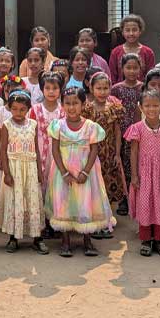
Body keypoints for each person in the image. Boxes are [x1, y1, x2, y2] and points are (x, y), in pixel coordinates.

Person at [46, 87, 114, 257]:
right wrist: (63, 172)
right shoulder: (58, 125)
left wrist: (85, 172)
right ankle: (65, 240)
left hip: (86, 172)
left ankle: (87, 239)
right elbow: (55, 150)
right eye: (67, 103)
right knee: (64, 201)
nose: (71, 107)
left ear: (83, 104)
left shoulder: (91, 127)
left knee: (85, 202)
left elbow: (94, 150)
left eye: (75, 103)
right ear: (62, 104)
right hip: (63, 172)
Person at [125, 89, 160, 257]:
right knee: (145, 204)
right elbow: (133, 153)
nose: (151, 109)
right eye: (147, 105)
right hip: (144, 173)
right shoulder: (137, 128)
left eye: (155, 105)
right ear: (141, 107)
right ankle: (146, 240)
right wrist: (134, 175)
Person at [0, 90, 48, 254]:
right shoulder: (6, 125)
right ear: (9, 108)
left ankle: (37, 237)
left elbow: (37, 149)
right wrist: (7, 172)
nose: (18, 113)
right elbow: (2, 150)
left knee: (33, 199)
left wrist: (40, 171)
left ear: (28, 109)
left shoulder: (33, 124)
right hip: (14, 167)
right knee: (15, 200)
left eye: (22, 109)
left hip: (31, 167)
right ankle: (14, 237)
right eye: (14, 109)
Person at [82, 71, 124, 229]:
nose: (102, 92)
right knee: (94, 184)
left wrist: (118, 153)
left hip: (110, 151)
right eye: (98, 88)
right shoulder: (87, 109)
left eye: (105, 88)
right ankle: (94, 215)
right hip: (93, 153)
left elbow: (118, 131)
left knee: (109, 184)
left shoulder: (114, 108)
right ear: (92, 89)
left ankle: (109, 216)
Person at [30, 72, 65, 238]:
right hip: (40, 150)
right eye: (48, 88)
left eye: (55, 88)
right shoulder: (35, 110)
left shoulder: (64, 110)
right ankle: (42, 223)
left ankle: (56, 222)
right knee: (41, 186)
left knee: (57, 187)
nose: (51, 91)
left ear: (60, 90)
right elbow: (31, 133)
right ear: (42, 89)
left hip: (59, 153)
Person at [111, 53, 144, 214]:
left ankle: (137, 197)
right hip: (122, 133)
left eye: (135, 67)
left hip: (140, 133)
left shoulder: (144, 88)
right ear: (122, 69)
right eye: (128, 67)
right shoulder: (116, 89)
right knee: (123, 165)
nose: (131, 71)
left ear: (140, 68)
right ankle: (124, 198)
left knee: (137, 165)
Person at [108, 16, 155, 82]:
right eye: (127, 30)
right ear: (122, 32)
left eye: (134, 30)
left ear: (140, 31)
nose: (131, 33)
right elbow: (112, 76)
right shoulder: (115, 52)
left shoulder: (148, 52)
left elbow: (151, 77)